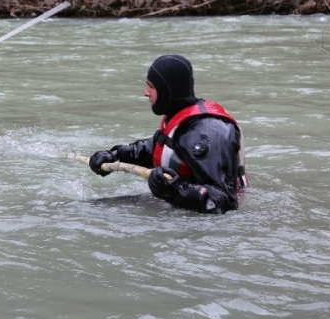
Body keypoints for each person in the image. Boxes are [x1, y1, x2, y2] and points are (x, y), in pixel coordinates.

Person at [88, 54, 247, 214]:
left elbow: (225, 200)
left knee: (94, 210)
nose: (145, 92)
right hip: (182, 203)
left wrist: (174, 192)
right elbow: (153, 148)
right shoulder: (181, 121)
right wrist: (114, 155)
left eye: (151, 86)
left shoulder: (205, 133)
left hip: (209, 223)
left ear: (167, 90)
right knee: (93, 206)